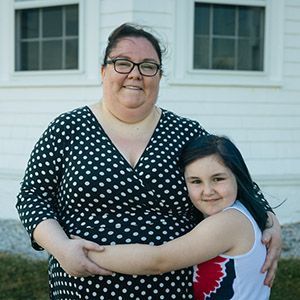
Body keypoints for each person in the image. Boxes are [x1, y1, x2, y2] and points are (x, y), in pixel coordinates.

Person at [16, 23, 281, 299]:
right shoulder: (67, 128)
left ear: (158, 75)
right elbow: (32, 196)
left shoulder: (184, 132)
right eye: (123, 63)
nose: (135, 73)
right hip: (81, 289)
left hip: (171, 289)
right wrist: (62, 249)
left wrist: (270, 222)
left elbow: (236, 178)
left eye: (148, 66)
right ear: (103, 71)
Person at [84, 134, 271, 299]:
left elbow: (158, 260)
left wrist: (87, 253)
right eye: (196, 181)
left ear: (237, 176)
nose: (208, 191)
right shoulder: (235, 213)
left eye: (218, 179)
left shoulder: (229, 222)